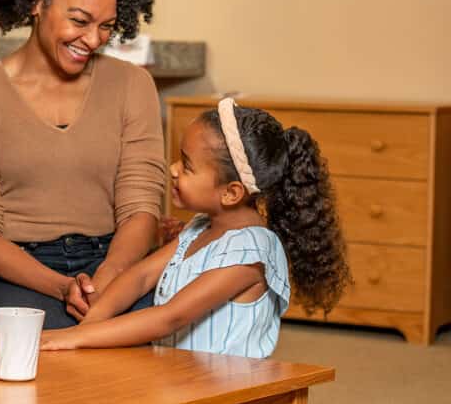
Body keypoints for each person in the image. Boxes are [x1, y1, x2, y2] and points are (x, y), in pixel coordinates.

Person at [0, 0, 166, 330]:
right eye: (79, 20)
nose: (93, 40)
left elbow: (141, 208)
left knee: (157, 338)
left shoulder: (132, 85)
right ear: (37, 2)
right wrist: (61, 287)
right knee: (59, 346)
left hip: (110, 261)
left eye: (107, 26)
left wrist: (105, 280)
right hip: (14, 270)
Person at [40, 98, 351, 357]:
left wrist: (71, 339)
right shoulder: (201, 228)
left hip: (223, 389)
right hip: (176, 376)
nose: (173, 170)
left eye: (186, 165)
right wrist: (86, 328)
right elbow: (140, 276)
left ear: (231, 193)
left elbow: (170, 317)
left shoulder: (252, 251)